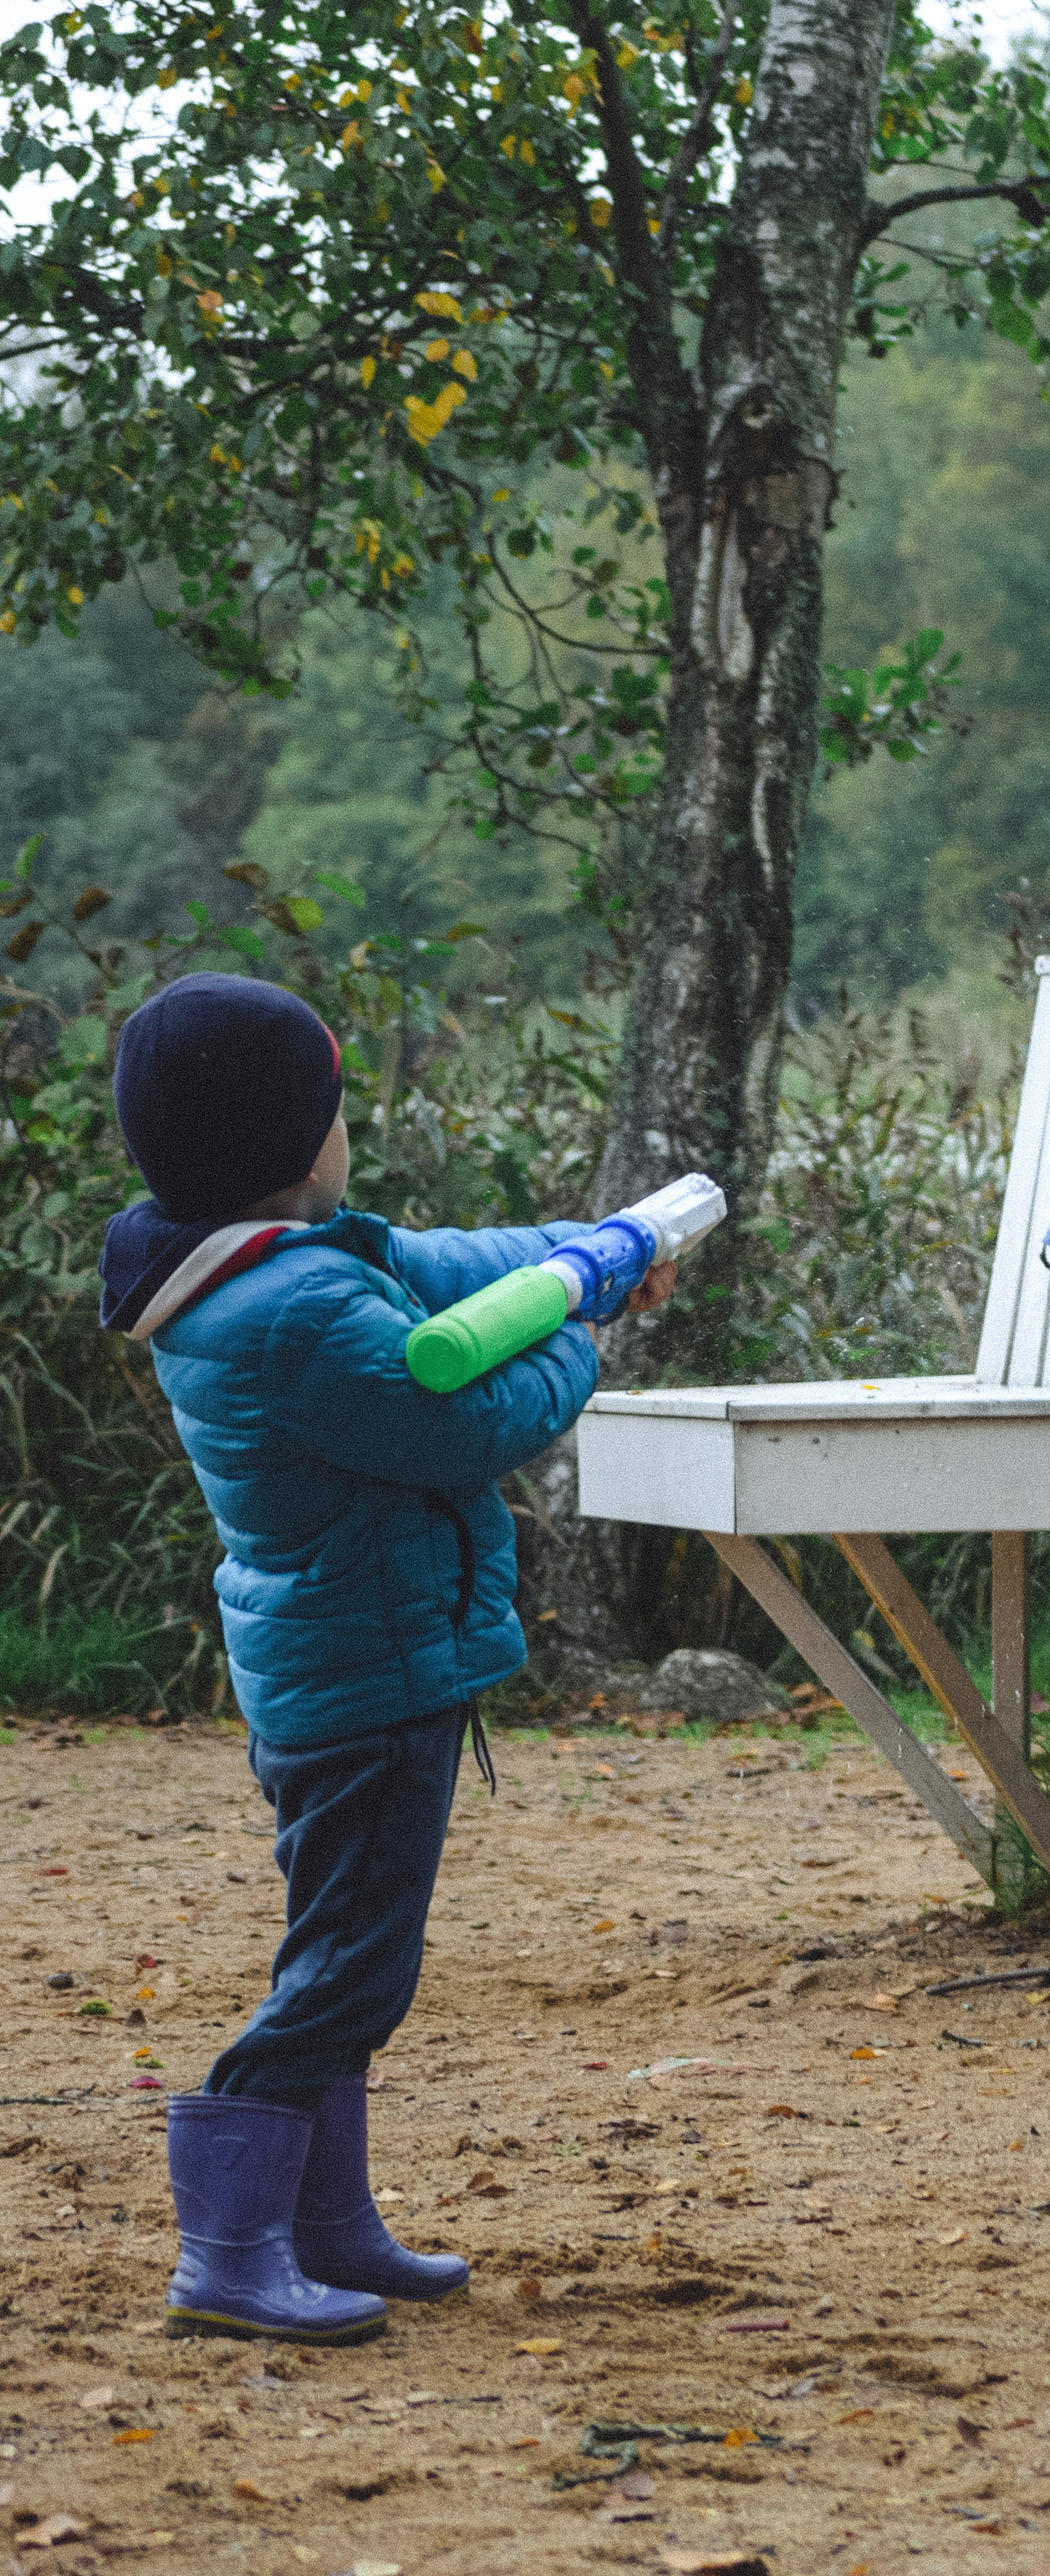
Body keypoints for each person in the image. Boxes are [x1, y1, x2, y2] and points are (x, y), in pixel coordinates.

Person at [97, 972, 673, 2345]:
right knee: (351, 1966)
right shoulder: (294, 1314)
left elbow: (447, 1267)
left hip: (346, 1667)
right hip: (364, 1680)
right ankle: (228, 2254)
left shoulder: (256, 1268)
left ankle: (325, 2225)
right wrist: (582, 1331)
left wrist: (591, 1246)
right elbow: (463, 1424)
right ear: (300, 1141)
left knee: (351, 1954)